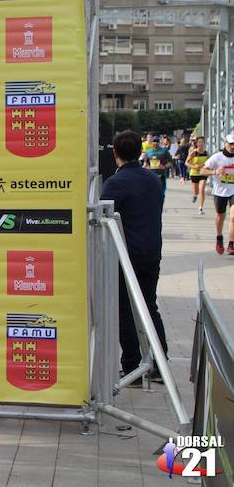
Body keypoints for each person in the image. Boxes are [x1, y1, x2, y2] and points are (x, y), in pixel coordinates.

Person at [100, 130, 168, 384]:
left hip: (127, 255)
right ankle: (160, 365)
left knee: (126, 312)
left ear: (115, 153)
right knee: (150, 306)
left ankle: (131, 366)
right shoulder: (152, 178)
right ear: (140, 151)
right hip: (151, 251)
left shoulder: (115, 183)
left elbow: (101, 215)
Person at [201, 133, 234, 255]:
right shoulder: (217, 157)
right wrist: (215, 171)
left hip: (233, 190)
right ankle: (219, 238)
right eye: (231, 144)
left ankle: (231, 244)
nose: (232, 146)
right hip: (220, 191)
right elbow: (202, 170)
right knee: (221, 216)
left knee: (233, 217)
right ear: (225, 143)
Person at [140, 135, 173, 201]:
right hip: (151, 175)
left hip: (161, 175)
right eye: (154, 141)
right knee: (152, 193)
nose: (155, 143)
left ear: (159, 142)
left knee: (161, 194)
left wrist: (164, 166)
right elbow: (146, 163)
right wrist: (146, 167)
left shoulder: (164, 151)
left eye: (157, 141)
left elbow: (171, 162)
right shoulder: (148, 152)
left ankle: (159, 206)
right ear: (151, 142)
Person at [186, 137, 209, 214]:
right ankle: (195, 195)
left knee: (202, 189)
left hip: (203, 173)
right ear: (196, 143)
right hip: (194, 173)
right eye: (199, 142)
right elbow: (186, 162)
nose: (201, 144)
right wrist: (194, 166)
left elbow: (209, 163)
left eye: (202, 142)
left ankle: (201, 207)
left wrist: (206, 166)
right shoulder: (193, 152)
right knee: (196, 191)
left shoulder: (206, 153)